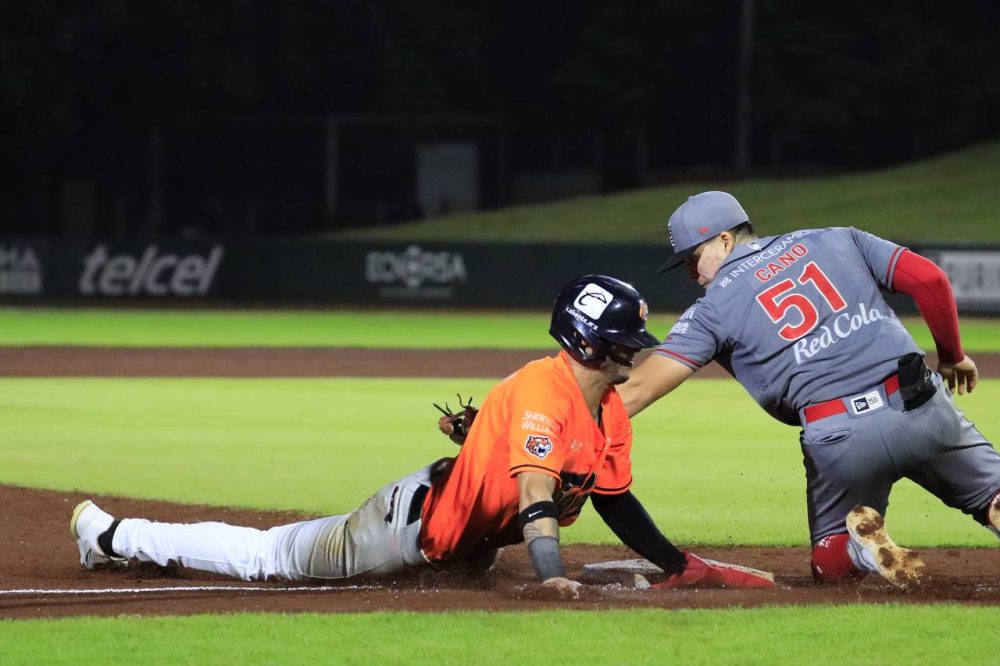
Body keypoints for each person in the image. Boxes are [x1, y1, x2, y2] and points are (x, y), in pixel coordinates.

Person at [70, 275, 772, 596]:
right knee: (267, 557)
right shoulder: (542, 388)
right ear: (589, 346)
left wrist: (679, 563)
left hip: (459, 542)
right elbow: (535, 488)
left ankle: (113, 539)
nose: (637, 352)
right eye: (625, 341)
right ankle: (109, 535)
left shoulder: (609, 409)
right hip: (403, 529)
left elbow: (615, 500)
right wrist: (551, 576)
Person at [617, 190, 1000, 587]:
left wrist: (569, 423)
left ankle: (856, 550)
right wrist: (952, 354)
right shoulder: (836, 237)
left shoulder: (711, 310)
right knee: (993, 496)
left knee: (830, 567)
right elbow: (930, 278)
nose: (690, 274)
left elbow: (641, 388)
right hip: (919, 405)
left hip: (841, 437)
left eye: (692, 259)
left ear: (725, 241)